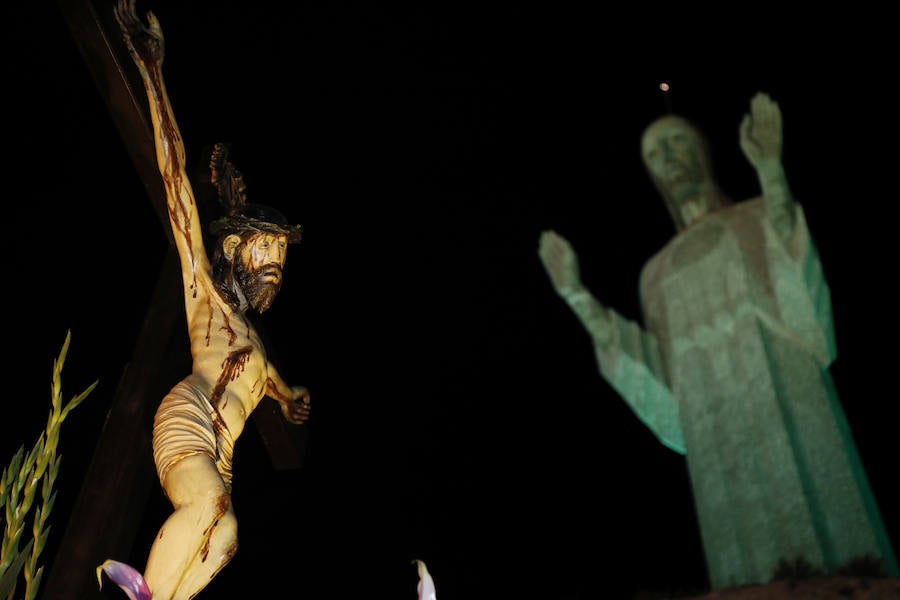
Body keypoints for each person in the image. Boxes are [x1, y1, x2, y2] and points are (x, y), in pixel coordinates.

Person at [538, 92, 898, 588]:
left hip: (791, 405)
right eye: (652, 154)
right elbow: (664, 388)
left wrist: (771, 170)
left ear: (702, 152)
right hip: (717, 448)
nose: (665, 157)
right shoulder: (655, 272)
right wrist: (577, 296)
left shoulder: (754, 215)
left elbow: (805, 303)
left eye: (674, 142)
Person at [109, 1, 312, 598]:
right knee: (211, 502)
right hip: (191, 419)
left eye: (281, 260)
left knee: (225, 536)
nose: (274, 269)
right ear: (234, 251)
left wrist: (296, 398)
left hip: (222, 454)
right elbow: (176, 186)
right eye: (265, 254)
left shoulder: (258, 346)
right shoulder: (210, 303)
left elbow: (282, 390)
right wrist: (152, 73)